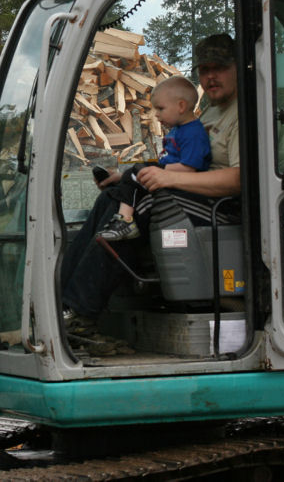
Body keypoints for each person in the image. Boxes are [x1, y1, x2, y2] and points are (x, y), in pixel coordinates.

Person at [61, 34, 240, 348]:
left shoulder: (246, 115)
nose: (211, 76)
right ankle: (62, 299)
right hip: (197, 195)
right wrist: (132, 174)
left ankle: (81, 314)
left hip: (226, 207)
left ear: (240, 67)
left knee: (141, 209)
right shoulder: (211, 112)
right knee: (114, 198)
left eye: (220, 68)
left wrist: (169, 180)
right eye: (205, 69)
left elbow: (240, 180)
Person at [97, 75, 212, 242]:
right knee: (134, 171)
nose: (156, 115)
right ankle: (120, 184)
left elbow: (189, 168)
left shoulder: (193, 134)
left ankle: (126, 221)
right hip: (170, 172)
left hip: (183, 186)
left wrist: (157, 171)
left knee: (136, 172)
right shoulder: (179, 129)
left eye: (160, 109)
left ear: (181, 106)